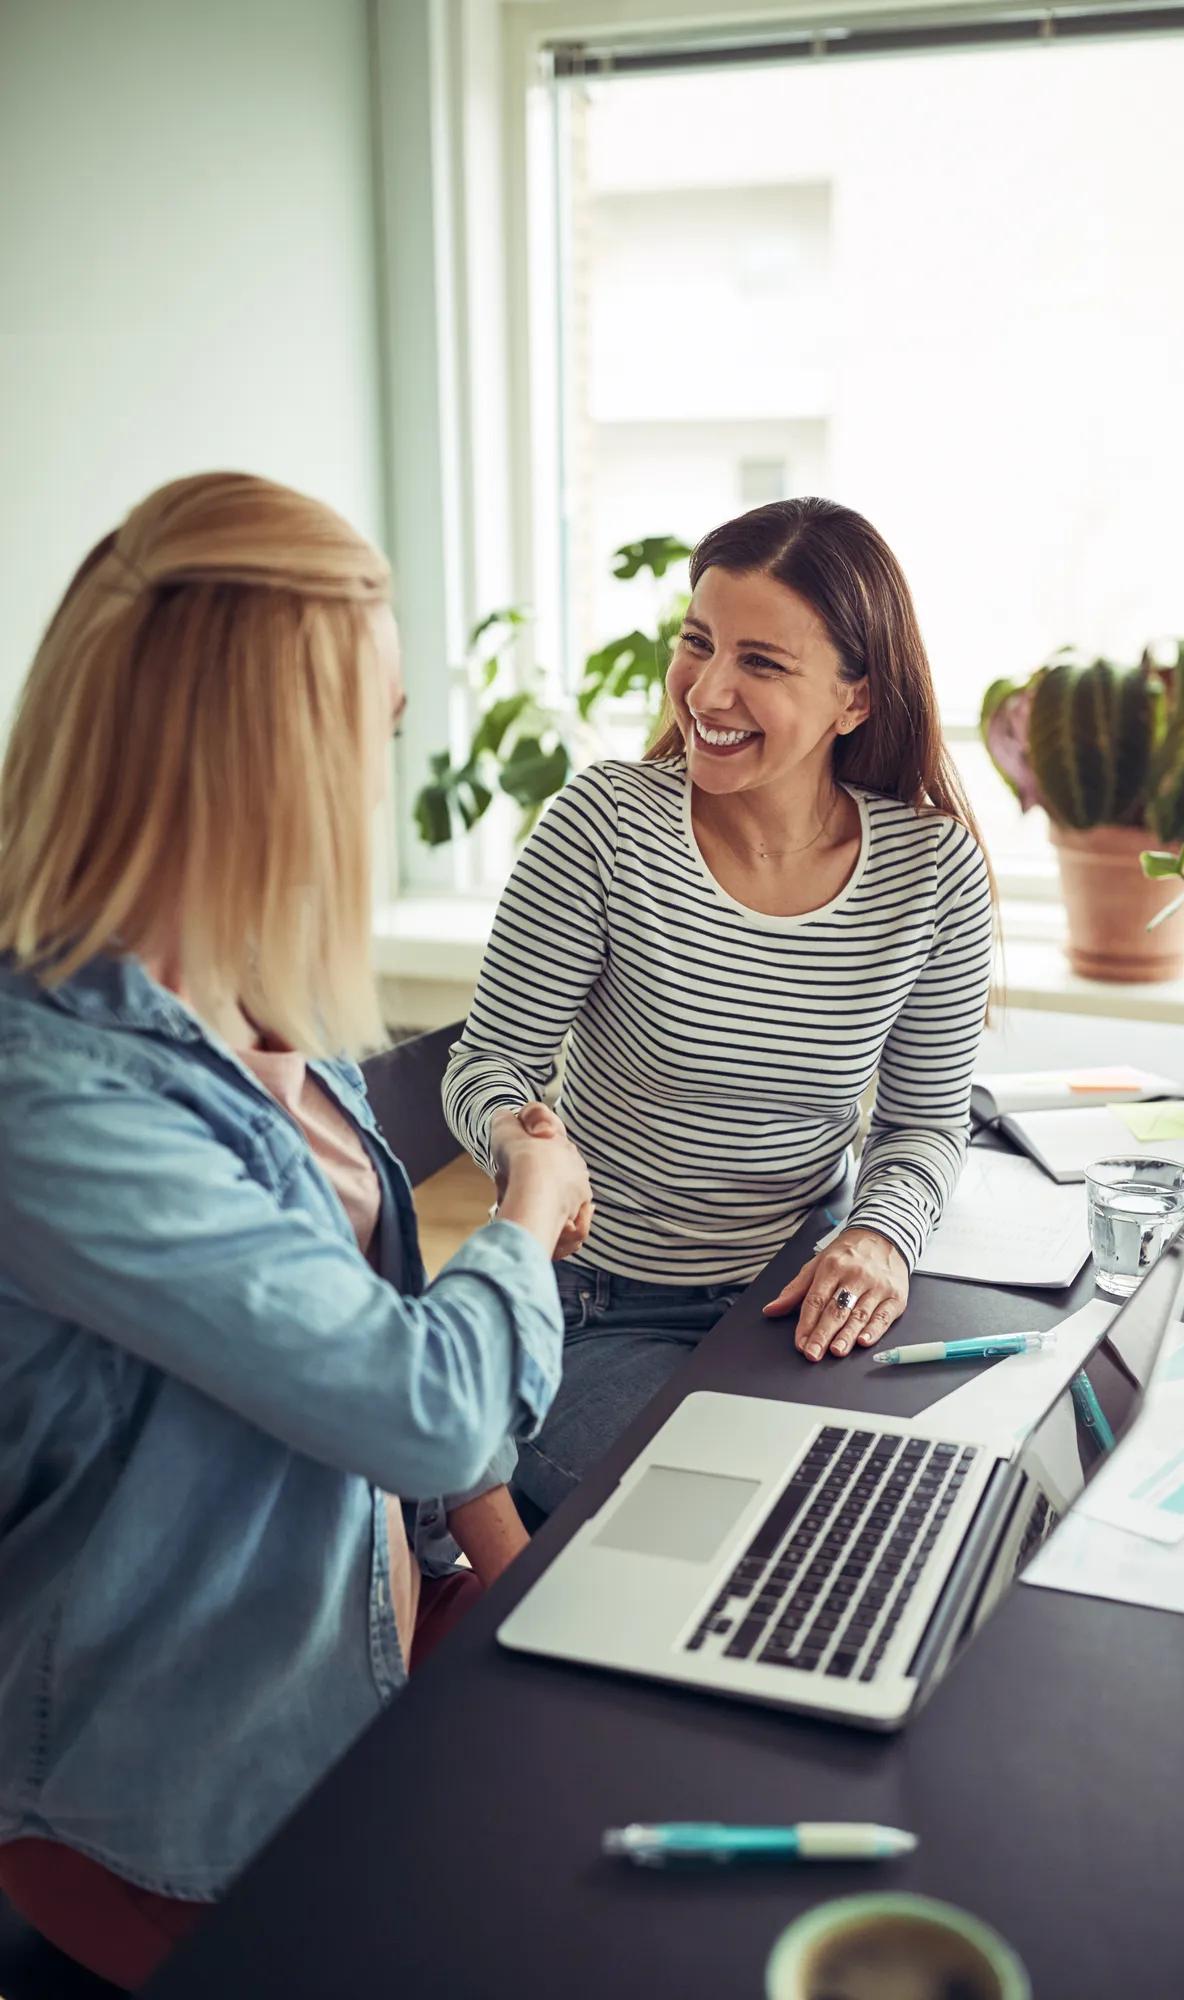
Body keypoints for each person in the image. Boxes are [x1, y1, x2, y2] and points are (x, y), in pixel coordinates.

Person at [0, 472, 590, 1989]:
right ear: (268, 764)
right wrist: (526, 1220)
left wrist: (508, 1590)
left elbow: (369, 1383)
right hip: (179, 1808)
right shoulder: (52, 1102)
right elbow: (426, 1399)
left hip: (359, 1674)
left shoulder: (245, 1000)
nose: (382, 781)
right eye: (370, 735)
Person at [444, 496, 994, 1521]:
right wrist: (522, 1149)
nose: (707, 687)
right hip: (601, 1311)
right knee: (745, 1515)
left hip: (797, 1293)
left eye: (762, 663)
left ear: (856, 700)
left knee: (930, 1490)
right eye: (697, 642)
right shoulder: (606, 825)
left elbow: (922, 1122)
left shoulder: (930, 871)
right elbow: (486, 1068)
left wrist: (878, 1235)